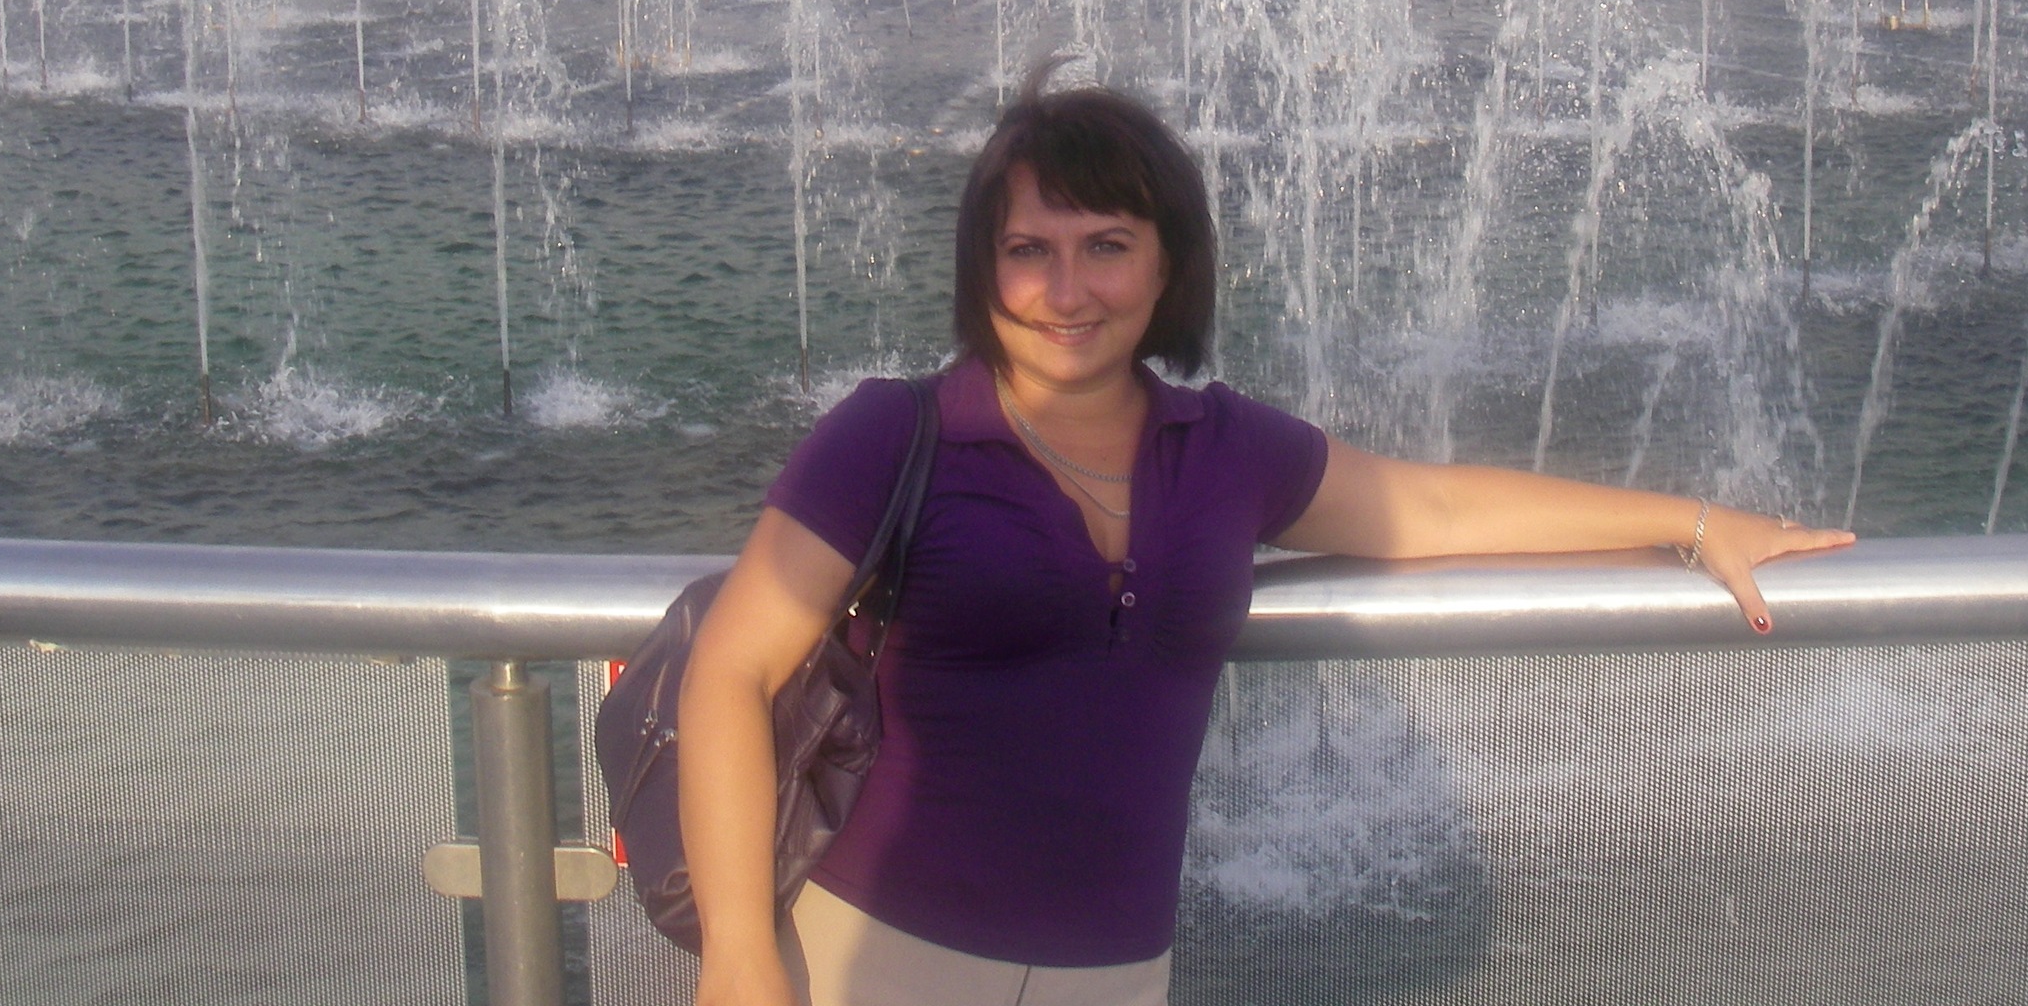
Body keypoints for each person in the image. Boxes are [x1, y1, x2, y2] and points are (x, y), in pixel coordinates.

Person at [679, 76, 1852, 1006]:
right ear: (983, 267)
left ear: (1167, 265)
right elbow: (731, 672)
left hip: (1115, 971)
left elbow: (1436, 511)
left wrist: (1696, 524)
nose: (1066, 290)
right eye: (1029, 249)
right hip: (872, 953)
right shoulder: (897, 434)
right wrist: (739, 956)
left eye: (1106, 244)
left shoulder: (1225, 450)